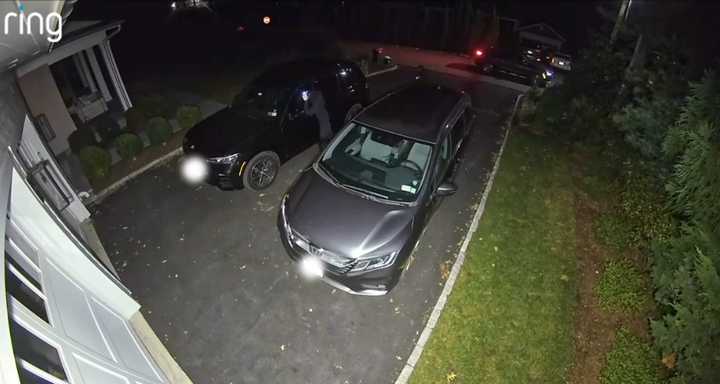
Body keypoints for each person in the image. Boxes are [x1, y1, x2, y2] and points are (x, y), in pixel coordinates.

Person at [302, 83, 332, 149]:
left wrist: (306, 101)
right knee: (328, 137)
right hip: (322, 118)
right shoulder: (315, 94)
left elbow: (309, 112)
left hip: (323, 119)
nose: (307, 93)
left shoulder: (317, 96)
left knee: (324, 139)